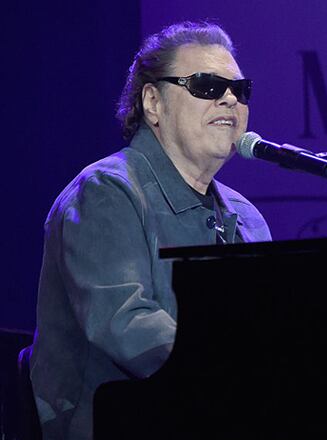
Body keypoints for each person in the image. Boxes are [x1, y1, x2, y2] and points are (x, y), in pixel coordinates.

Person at [29, 21, 271, 440]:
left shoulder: (246, 216)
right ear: (153, 103)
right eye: (207, 86)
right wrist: (238, 374)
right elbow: (125, 321)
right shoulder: (105, 192)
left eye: (240, 89)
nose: (230, 98)